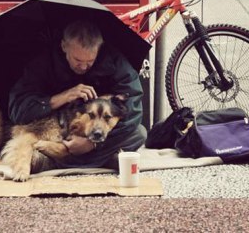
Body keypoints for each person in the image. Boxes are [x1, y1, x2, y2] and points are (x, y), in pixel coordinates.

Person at [8, 19, 146, 168]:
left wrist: (91, 145)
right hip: (55, 129)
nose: (84, 67)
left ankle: (59, 160)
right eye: (77, 60)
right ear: (64, 46)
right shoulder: (43, 62)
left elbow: (133, 109)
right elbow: (18, 109)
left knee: (139, 133)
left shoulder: (115, 62)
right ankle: (100, 160)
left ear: (99, 50)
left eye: (90, 61)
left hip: (96, 133)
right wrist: (62, 97)